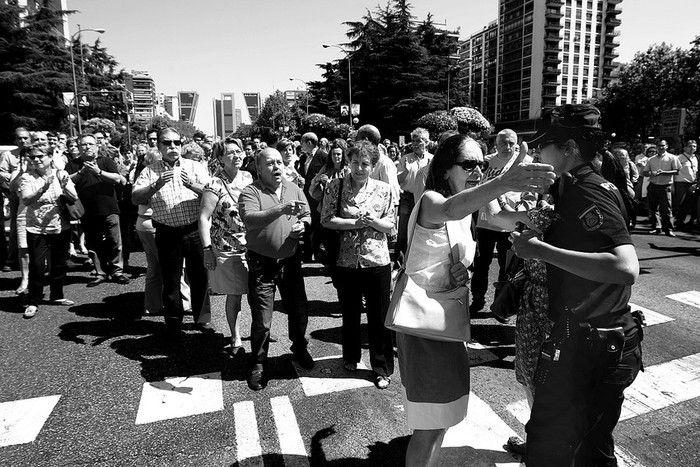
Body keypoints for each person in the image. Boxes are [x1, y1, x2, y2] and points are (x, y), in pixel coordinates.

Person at [398, 134, 556, 467]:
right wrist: (503, 180)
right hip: (423, 327)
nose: (477, 171)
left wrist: (549, 213)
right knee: (428, 424)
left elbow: (505, 220)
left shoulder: (468, 206)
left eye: (482, 165)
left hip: (448, 321)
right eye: (468, 164)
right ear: (444, 168)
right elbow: (451, 209)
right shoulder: (431, 199)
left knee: (441, 418)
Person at [511, 104, 642, 466]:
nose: (537, 152)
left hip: (592, 347)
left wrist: (540, 250)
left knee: (578, 451)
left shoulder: (591, 190)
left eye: (543, 146)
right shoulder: (570, 184)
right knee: (565, 446)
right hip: (582, 339)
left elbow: (625, 267)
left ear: (568, 147)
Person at [320, 141, 396, 389]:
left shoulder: (384, 190)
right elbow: (327, 220)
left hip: (377, 261)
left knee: (379, 316)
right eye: (355, 163)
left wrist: (372, 220)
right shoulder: (336, 185)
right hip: (346, 261)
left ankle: (381, 367)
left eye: (365, 164)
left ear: (373, 166)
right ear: (348, 163)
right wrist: (355, 224)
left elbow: (391, 226)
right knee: (350, 313)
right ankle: (351, 357)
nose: (359, 169)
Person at [239, 148, 314, 391]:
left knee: (299, 309)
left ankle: (299, 347)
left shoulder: (294, 188)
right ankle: (259, 363)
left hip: (290, 261)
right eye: (270, 163)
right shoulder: (251, 191)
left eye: (279, 162)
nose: (277, 167)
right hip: (262, 264)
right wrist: (281, 210)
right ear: (259, 169)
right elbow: (250, 219)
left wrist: (303, 224)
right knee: (262, 318)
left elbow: (307, 214)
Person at [132, 128, 213, 336]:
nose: (172, 146)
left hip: (194, 231)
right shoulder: (150, 170)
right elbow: (135, 198)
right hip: (167, 232)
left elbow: (212, 194)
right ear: (159, 147)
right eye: (167, 143)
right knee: (171, 279)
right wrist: (155, 185)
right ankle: (173, 321)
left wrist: (192, 185)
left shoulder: (195, 166)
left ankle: (202, 318)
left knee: (200, 277)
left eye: (176, 142)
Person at [199, 138, 253, 355]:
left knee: (257, 293)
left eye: (238, 151)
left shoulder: (249, 177)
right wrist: (207, 250)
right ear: (220, 158)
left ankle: (258, 332)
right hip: (227, 247)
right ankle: (236, 336)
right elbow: (204, 218)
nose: (236, 155)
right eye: (230, 153)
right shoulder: (214, 184)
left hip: (252, 245)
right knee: (235, 295)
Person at [471, 129, 535, 314]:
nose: (507, 147)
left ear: (517, 143)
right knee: (481, 264)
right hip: (486, 222)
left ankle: (501, 303)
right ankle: (478, 298)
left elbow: (531, 193)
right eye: (503, 143)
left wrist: (519, 211)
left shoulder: (527, 162)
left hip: (511, 223)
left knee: (506, 267)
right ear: (496, 144)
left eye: (511, 143)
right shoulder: (486, 162)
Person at [19, 146, 78, 318]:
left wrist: (66, 184)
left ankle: (57, 295)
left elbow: (73, 197)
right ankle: (33, 300)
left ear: (50, 157)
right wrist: (42, 188)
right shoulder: (27, 177)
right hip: (36, 228)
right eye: (32, 157)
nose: (36, 160)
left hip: (60, 226)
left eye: (40, 156)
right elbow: (26, 200)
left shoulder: (60, 174)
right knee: (37, 266)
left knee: (59, 263)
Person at [66, 134, 129, 286]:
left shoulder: (105, 161)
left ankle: (117, 271)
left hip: (109, 208)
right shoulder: (73, 164)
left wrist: (98, 171)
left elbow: (116, 179)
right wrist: (81, 172)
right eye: (83, 144)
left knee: (115, 241)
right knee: (93, 243)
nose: (87, 147)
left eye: (90, 144)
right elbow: (66, 181)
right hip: (87, 210)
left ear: (97, 146)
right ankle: (100, 272)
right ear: (79, 147)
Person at [395, 127, 433, 267]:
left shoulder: (432, 159)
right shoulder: (405, 159)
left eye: (419, 141)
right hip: (408, 198)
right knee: (403, 230)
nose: (416, 144)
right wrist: (406, 170)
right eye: (413, 141)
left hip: (425, 198)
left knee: (422, 229)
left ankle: (420, 262)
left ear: (426, 142)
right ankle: (399, 264)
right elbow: (398, 181)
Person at [298, 132, 328, 261]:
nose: (301, 145)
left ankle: (318, 252)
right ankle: (308, 253)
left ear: (309, 143)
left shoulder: (323, 156)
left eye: (302, 142)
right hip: (306, 196)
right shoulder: (304, 158)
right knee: (308, 224)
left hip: (318, 198)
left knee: (318, 225)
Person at [643, 139, 680, 236]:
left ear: (666, 146)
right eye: (659, 145)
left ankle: (668, 229)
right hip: (653, 185)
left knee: (666, 209)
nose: (661, 147)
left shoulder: (672, 158)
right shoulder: (651, 159)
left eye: (663, 145)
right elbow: (644, 172)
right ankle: (656, 227)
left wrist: (663, 172)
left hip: (665, 186)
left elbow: (677, 171)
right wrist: (652, 173)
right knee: (653, 208)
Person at [308, 138, 349, 203]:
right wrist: (319, 179)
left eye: (338, 154)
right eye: (333, 154)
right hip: (326, 204)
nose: (335, 156)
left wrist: (329, 182)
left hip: (341, 204)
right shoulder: (326, 167)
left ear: (343, 155)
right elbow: (314, 181)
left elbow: (347, 189)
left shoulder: (347, 170)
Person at [674, 139, 698, 230]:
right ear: (685, 148)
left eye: (694, 146)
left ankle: (683, 222)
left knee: (688, 204)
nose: (692, 148)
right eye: (690, 146)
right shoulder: (679, 158)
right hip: (681, 183)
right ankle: (674, 221)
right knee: (678, 203)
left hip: (693, 184)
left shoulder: (696, 158)